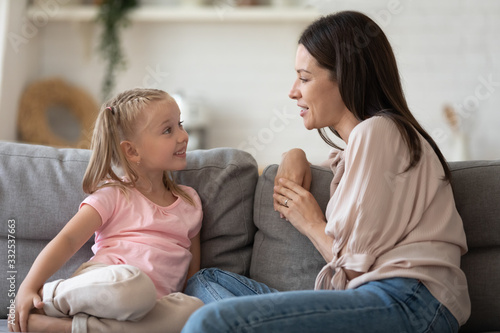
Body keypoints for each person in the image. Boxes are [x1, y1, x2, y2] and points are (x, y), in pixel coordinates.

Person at [181, 10, 470, 333]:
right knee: (205, 280)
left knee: (212, 319)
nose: (293, 91)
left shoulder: (378, 132)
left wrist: (310, 222)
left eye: (304, 78)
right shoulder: (371, 143)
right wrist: (295, 154)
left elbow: (355, 263)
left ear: (345, 78)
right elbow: (334, 166)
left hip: (409, 302)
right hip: (386, 300)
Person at [9, 88, 204, 333]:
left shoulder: (191, 203)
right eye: (168, 130)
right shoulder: (115, 194)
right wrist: (28, 287)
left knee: (195, 309)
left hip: (152, 306)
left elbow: (193, 275)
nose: (182, 136)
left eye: (180, 124)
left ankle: (65, 329)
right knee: (136, 287)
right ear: (132, 151)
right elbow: (68, 240)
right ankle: (50, 298)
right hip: (111, 284)